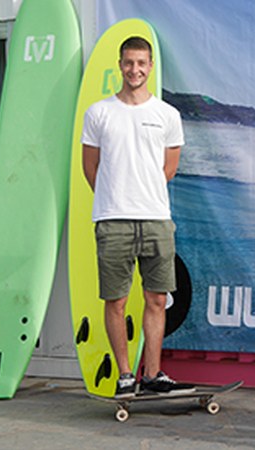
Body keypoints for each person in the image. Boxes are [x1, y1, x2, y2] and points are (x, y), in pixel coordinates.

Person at [82, 36, 193, 398]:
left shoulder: (167, 115)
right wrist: (115, 197)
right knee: (115, 301)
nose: (135, 70)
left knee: (157, 299)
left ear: (150, 66)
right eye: (129, 63)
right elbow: (90, 167)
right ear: (120, 65)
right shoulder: (98, 113)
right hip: (112, 220)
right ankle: (126, 375)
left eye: (141, 63)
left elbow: (168, 169)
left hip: (156, 220)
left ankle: (154, 374)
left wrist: (143, 194)